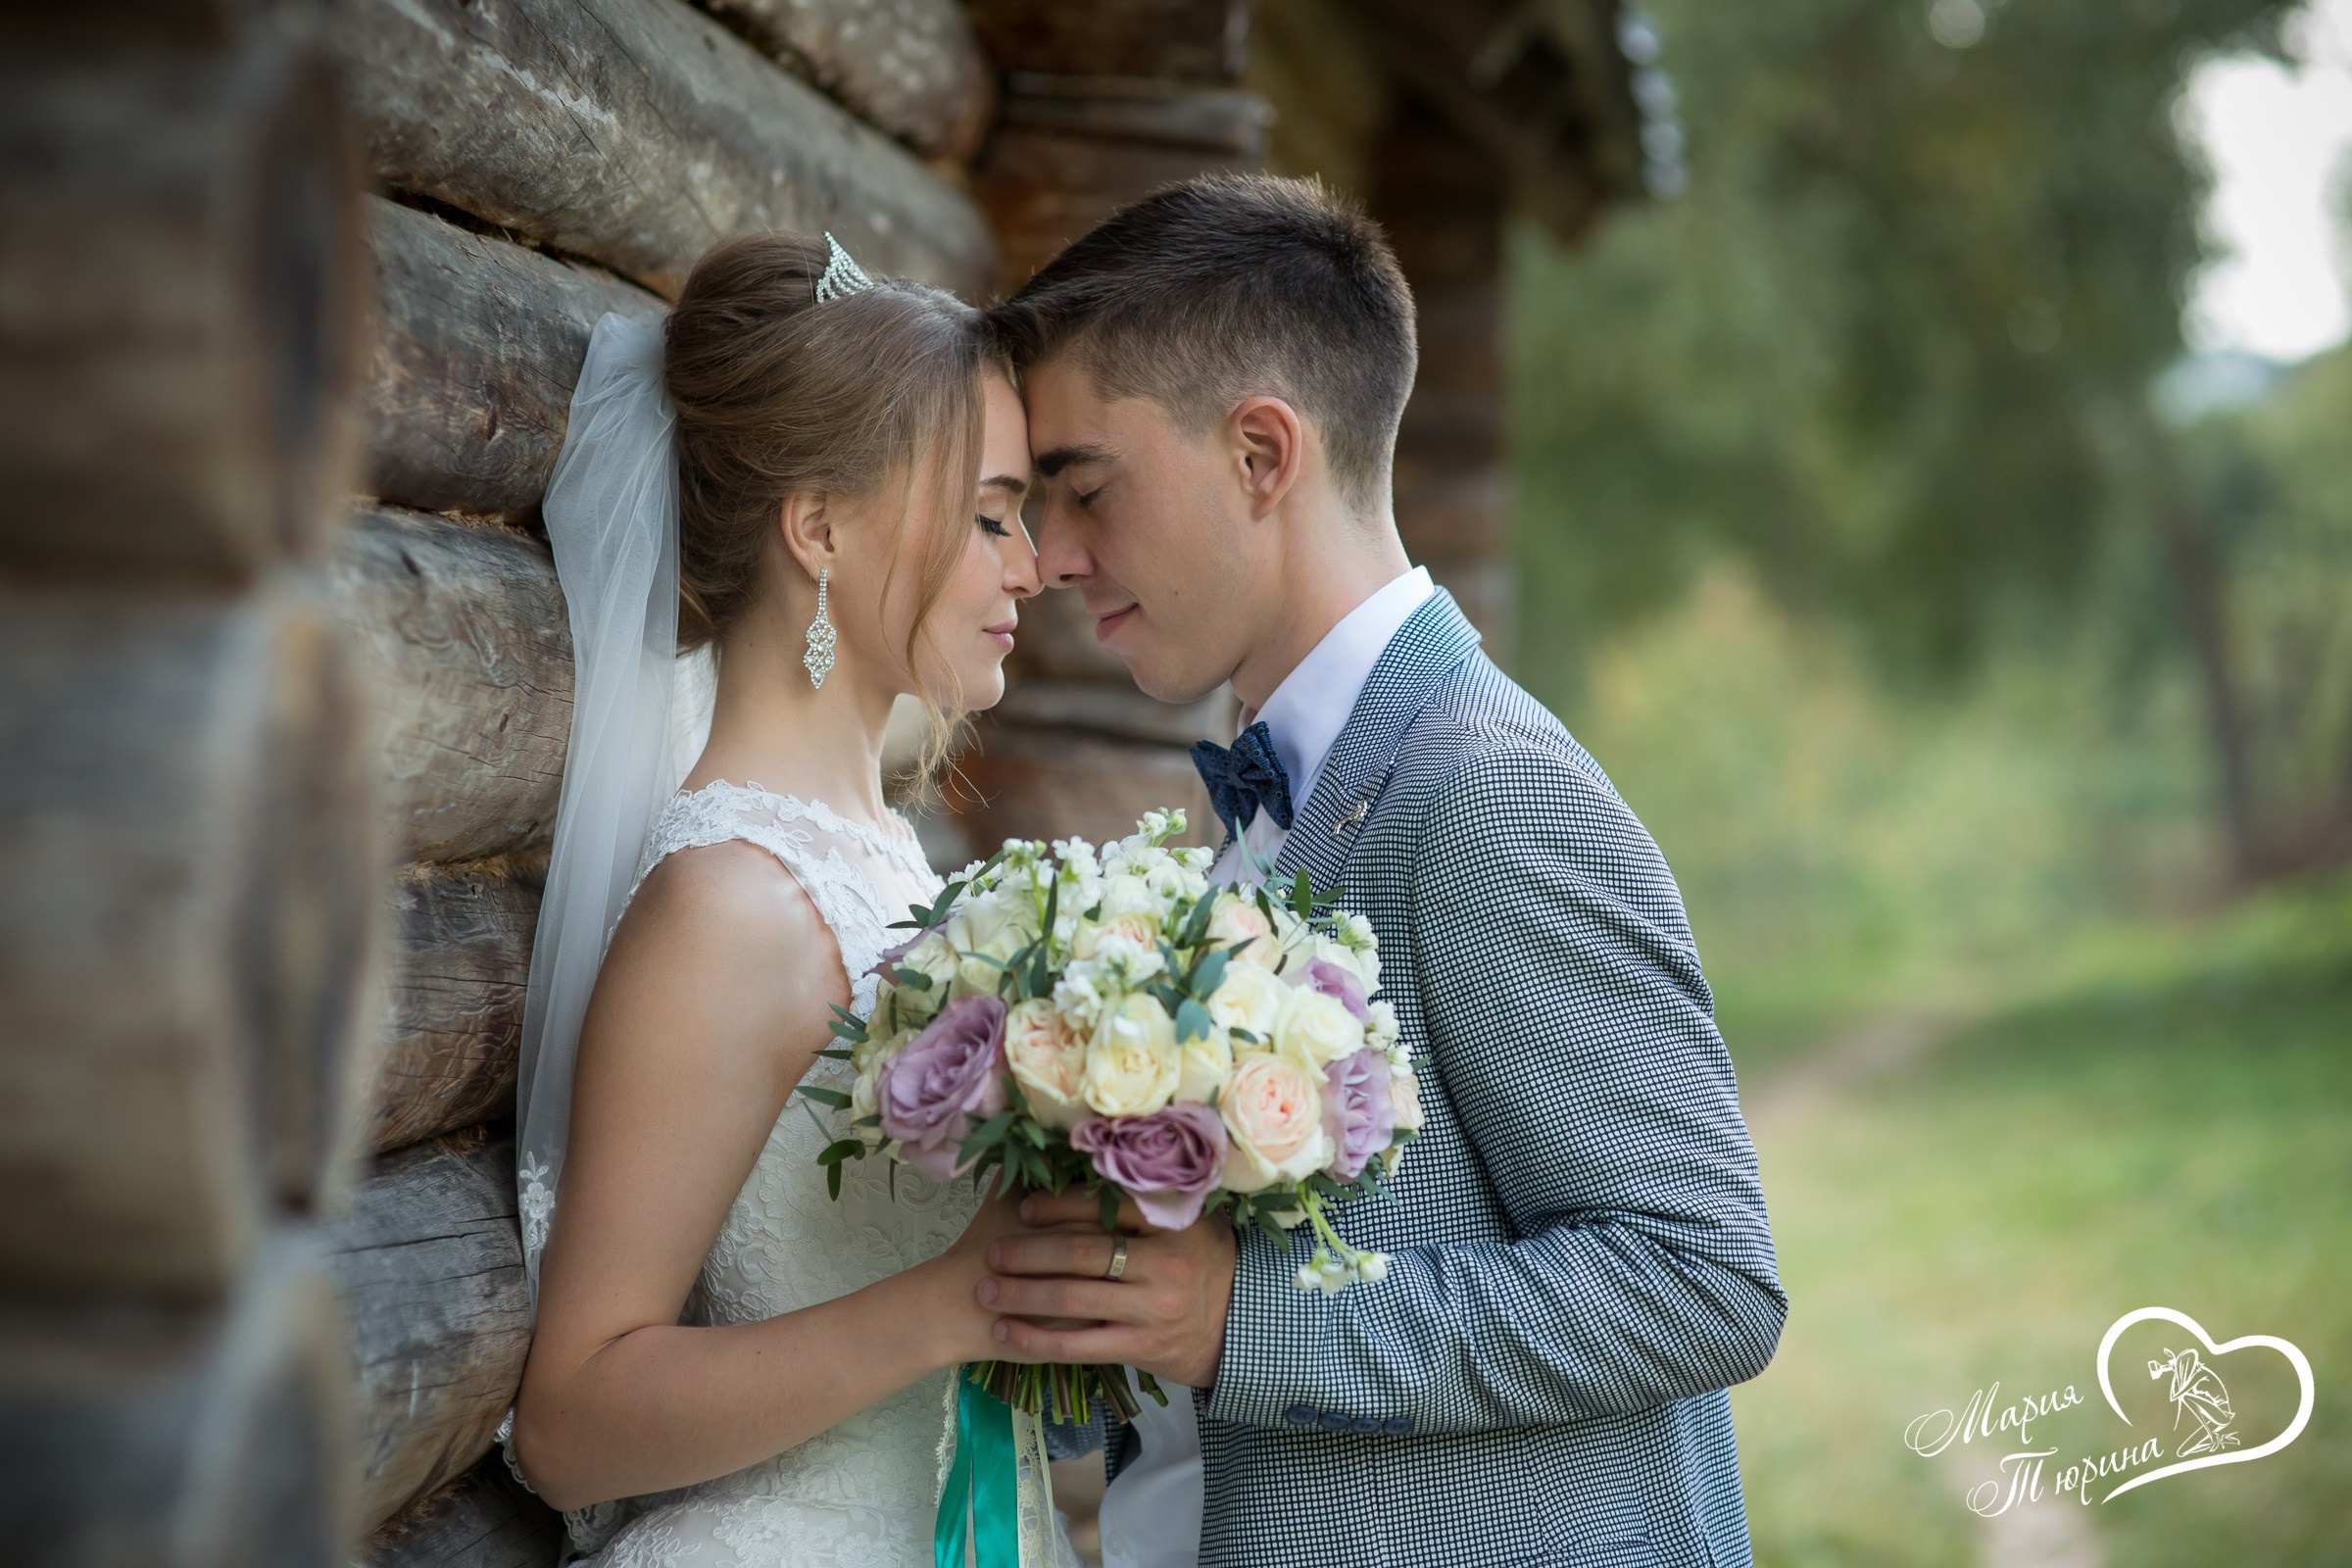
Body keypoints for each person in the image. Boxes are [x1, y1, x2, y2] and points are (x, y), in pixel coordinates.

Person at [977, 174, 1789, 1567]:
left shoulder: (1488, 789)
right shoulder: (1275, 792)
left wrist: (1241, 1324)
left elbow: (1703, 1276)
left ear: (1261, 456)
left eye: (1086, 487)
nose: (1052, 556)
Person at [503, 232, 1071, 1565]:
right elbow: (570, 1420)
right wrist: (954, 1305)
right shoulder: (728, 906)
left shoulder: (881, 854)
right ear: (817, 527)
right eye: (990, 515)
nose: (1030, 566)